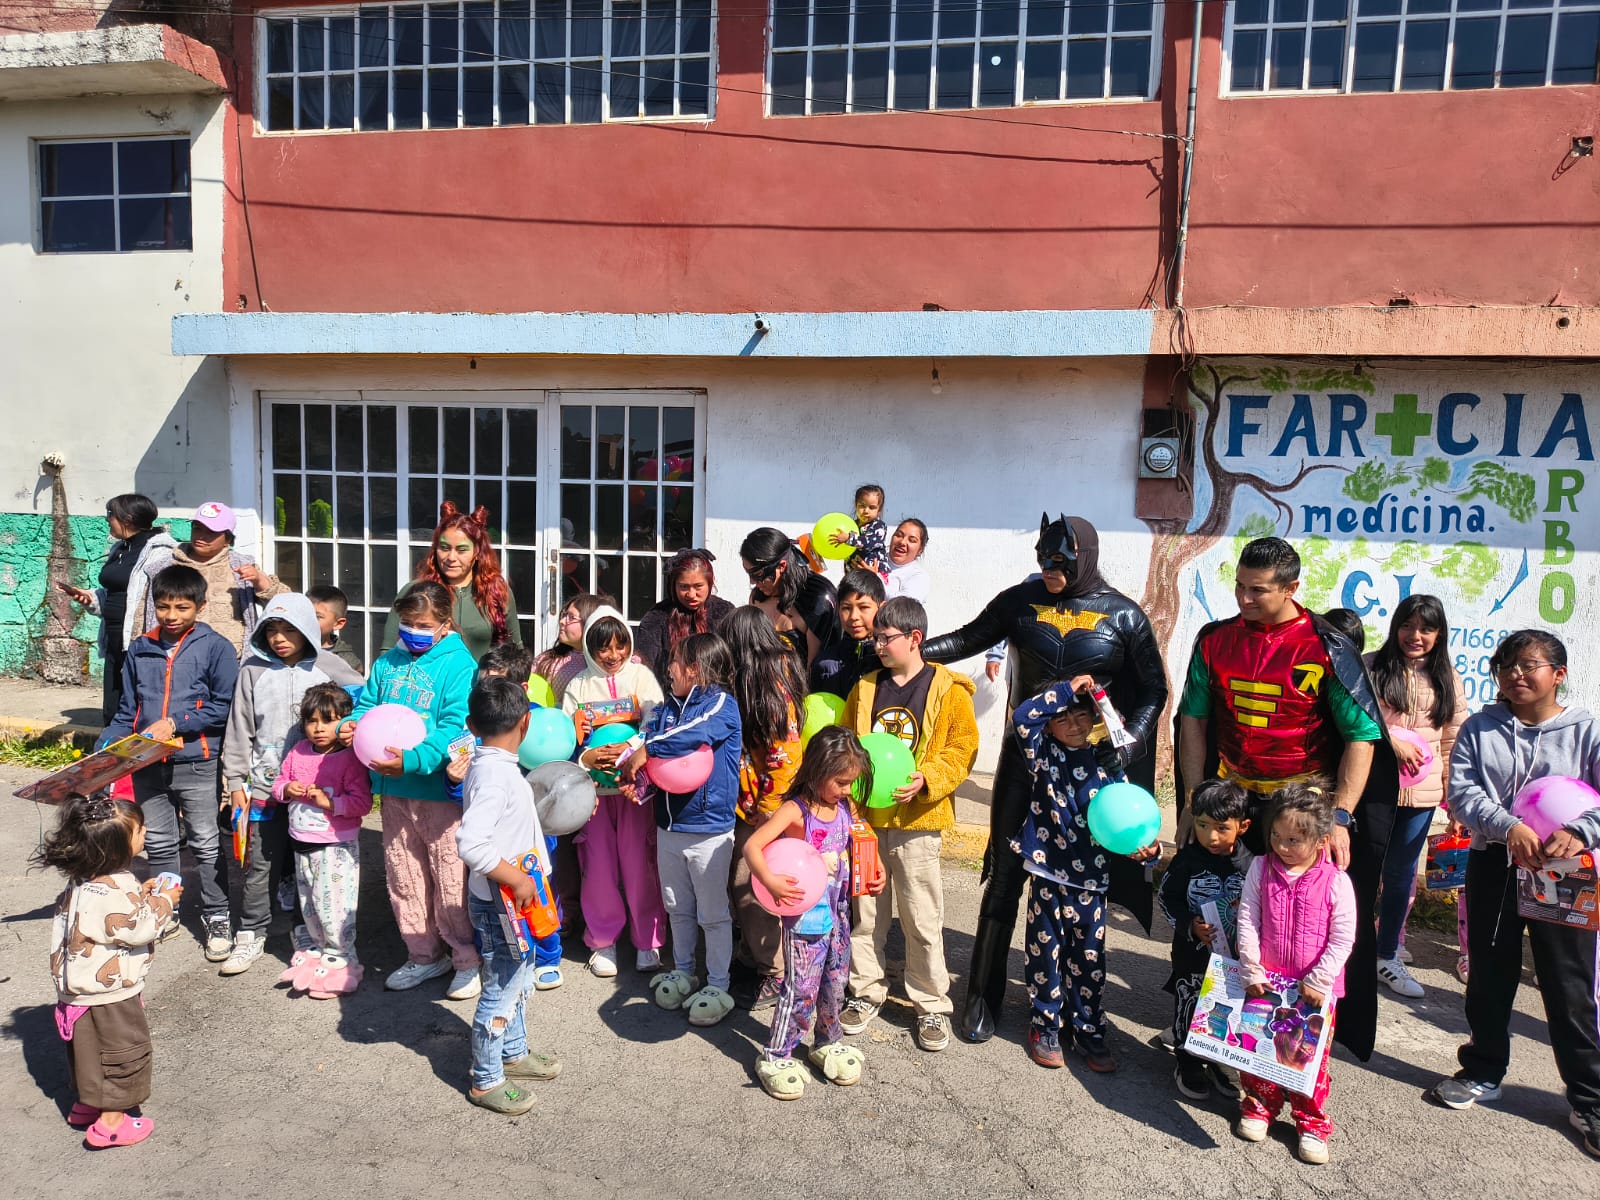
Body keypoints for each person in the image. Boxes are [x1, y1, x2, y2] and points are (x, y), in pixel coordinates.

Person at [923, 514, 1169, 1042]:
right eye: (1043, 559)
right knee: (1005, 876)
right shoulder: (1020, 601)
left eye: (1060, 561)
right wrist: (910, 649)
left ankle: (1080, 1010)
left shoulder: (1123, 616)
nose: (1050, 569)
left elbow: (1153, 689)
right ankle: (982, 997)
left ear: (1085, 557)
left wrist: (1129, 742)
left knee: (1082, 889)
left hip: (1088, 770)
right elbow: (969, 637)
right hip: (1025, 759)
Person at [1175, 535, 1398, 1062]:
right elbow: (1193, 720)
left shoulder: (1324, 646)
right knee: (1212, 908)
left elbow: (1361, 737)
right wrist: (1193, 800)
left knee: (1292, 924)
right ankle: (1203, 1029)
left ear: (1292, 588)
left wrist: (1338, 816)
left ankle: (1286, 1047)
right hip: (1232, 793)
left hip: (1299, 804)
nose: (1244, 599)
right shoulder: (1215, 639)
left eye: (1258, 591)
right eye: (1239, 587)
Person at [1430, 630, 1600, 1161]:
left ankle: (1590, 1100)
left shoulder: (1588, 729)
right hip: (1496, 866)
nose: (1516, 675)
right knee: (1490, 971)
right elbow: (1461, 788)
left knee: (1569, 983)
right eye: (1506, 665)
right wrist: (1507, 826)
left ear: (1559, 673)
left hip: (1564, 872)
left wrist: (1583, 830)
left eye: (1529, 665)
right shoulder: (1482, 727)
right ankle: (1483, 1071)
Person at [840, 596, 978, 1053]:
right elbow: (847, 743)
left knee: (922, 916)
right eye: (876, 636)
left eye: (885, 636)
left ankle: (931, 1002)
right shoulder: (864, 689)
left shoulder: (948, 688)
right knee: (867, 913)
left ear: (914, 638)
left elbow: (962, 749)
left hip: (919, 821)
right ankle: (865, 990)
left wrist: (928, 779)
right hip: (868, 820)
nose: (876, 643)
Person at [1010, 681, 1161, 1073]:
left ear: (1093, 718)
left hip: (1093, 883)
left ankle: (1088, 1029)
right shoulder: (1042, 755)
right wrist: (1065, 690)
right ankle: (1044, 1025)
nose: (1073, 723)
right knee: (1045, 955)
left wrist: (1147, 848)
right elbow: (1023, 718)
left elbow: (1126, 820)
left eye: (1081, 715)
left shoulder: (1107, 764)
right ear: (1050, 726)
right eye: (1062, 718)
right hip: (1049, 874)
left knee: (1089, 963)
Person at [344, 581, 481, 1000]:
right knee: (403, 874)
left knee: (449, 877)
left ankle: (465, 958)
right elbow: (368, 706)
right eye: (406, 623)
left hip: (437, 790)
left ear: (444, 623)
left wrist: (414, 759)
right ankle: (422, 955)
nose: (413, 631)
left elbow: (454, 727)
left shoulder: (459, 665)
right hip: (394, 789)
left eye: (424, 624)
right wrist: (353, 726)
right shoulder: (388, 662)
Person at [219, 594, 363, 976]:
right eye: (272, 631)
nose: (280, 638)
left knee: (309, 866)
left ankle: (307, 930)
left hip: (315, 793)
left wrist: (354, 731)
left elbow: (364, 704)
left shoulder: (330, 667)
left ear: (308, 631)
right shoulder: (252, 670)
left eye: (289, 630)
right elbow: (239, 729)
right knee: (260, 864)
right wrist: (235, 781)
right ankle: (250, 932)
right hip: (265, 788)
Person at [103, 564, 239, 961]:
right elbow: (126, 710)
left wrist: (178, 723)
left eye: (182, 607)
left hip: (197, 759)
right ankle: (166, 909)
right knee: (160, 843)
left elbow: (224, 705)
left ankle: (217, 916)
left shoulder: (216, 648)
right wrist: (105, 751)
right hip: (147, 762)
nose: (172, 616)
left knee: (205, 841)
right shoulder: (140, 648)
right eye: (163, 607)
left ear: (201, 605)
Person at [35, 795, 181, 1149]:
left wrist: (140, 892)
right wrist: (165, 901)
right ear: (116, 847)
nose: (144, 833)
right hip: (110, 992)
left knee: (87, 1049)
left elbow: (111, 913)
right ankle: (112, 1122)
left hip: (76, 988)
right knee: (122, 1052)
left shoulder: (85, 878)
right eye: (138, 831)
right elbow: (139, 927)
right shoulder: (115, 888)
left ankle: (87, 1103)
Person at [744, 727, 881, 1100]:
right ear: (818, 770)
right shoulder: (795, 810)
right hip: (806, 916)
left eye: (852, 783)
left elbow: (860, 835)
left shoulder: (843, 807)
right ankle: (777, 1053)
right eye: (841, 782)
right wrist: (770, 881)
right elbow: (754, 846)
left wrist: (876, 866)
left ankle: (827, 1040)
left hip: (838, 911)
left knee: (836, 980)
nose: (847, 791)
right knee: (801, 986)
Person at [619, 632, 743, 1027]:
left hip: (709, 830)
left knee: (713, 913)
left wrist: (648, 750)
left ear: (695, 668)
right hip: (669, 826)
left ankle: (719, 984)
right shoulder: (664, 709)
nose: (667, 669)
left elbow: (691, 736)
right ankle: (685, 971)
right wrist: (627, 763)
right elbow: (645, 740)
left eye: (674, 662)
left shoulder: (722, 704)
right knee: (677, 906)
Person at [455, 676, 563, 1115]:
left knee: (520, 972)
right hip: (503, 901)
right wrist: (517, 880)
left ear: (470, 724)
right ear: (526, 722)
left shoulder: (495, 766)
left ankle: (513, 1052)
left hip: (517, 898)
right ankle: (486, 1078)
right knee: (501, 984)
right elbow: (471, 844)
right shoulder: (495, 775)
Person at [1235, 781, 1356, 1166]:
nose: (1282, 847)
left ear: (1321, 840)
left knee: (1305, 1061)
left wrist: (1320, 980)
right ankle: (1259, 1106)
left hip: (1312, 991)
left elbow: (1343, 936)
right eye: (1276, 836)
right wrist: (1251, 967)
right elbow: (1248, 917)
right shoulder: (1260, 867)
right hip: (1267, 981)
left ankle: (1311, 1123)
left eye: (1293, 840)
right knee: (1258, 1050)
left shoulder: (1336, 880)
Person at [1364, 595, 1468, 997]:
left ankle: (1386, 956)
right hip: (1372, 789)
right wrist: (1389, 739)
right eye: (1408, 626)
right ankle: (1348, 951)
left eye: (1426, 628)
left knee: (1400, 876)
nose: (1415, 636)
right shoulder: (1372, 666)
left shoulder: (1447, 678)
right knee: (1360, 870)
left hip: (1421, 798)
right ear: (1395, 627)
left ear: (1439, 634)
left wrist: (1454, 802)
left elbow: (1453, 742)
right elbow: (1353, 718)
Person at [451, 641, 565, 991]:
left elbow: (558, 781)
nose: (493, 699)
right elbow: (471, 816)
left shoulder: (539, 730)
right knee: (506, 947)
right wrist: (453, 779)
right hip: (500, 869)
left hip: (531, 848)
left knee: (543, 906)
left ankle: (547, 957)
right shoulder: (484, 761)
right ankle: (507, 975)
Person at [563, 604, 666, 977]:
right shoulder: (577, 685)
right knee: (598, 867)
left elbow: (656, 723)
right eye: (603, 648)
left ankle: (648, 940)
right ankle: (602, 939)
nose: (612, 656)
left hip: (635, 791)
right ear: (589, 648)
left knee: (641, 864)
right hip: (594, 794)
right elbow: (567, 740)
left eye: (619, 646)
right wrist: (590, 756)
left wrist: (631, 748)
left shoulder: (641, 677)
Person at [723, 604, 808, 1010]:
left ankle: (773, 972)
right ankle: (751, 955)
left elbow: (785, 755)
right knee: (741, 887)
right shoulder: (756, 680)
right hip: (750, 804)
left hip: (767, 809)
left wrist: (768, 810)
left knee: (750, 885)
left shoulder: (771, 685)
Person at [271, 683, 373, 997]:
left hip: (335, 845)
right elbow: (279, 782)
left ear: (344, 722)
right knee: (310, 902)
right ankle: (319, 949)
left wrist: (330, 803)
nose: (318, 729)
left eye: (327, 721)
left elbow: (362, 803)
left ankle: (343, 956)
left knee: (335, 904)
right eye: (312, 721)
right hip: (301, 841)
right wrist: (286, 790)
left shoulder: (350, 759)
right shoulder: (298, 751)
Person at [1158, 778, 1253, 1100]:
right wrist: (1188, 925)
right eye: (1202, 825)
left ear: (1243, 826)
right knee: (1189, 1001)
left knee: (1227, 1008)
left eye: (1222, 828)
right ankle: (1187, 1060)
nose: (1211, 836)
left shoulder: (1253, 866)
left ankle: (1221, 1060)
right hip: (1193, 953)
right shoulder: (1188, 861)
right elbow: (1167, 897)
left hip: (1237, 959)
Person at [59, 493, 175, 726]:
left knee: (137, 699)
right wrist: (90, 598)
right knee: (113, 701)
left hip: (140, 638)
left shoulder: (160, 552)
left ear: (128, 519)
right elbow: (117, 591)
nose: (107, 520)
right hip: (114, 636)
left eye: (110, 515)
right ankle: (111, 752)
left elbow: (158, 598)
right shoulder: (120, 548)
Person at [139, 501, 287, 657]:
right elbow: (143, 614)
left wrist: (259, 581)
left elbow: (285, 603)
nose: (201, 536)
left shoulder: (241, 566)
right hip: (175, 659)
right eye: (197, 528)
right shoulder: (164, 566)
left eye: (211, 532)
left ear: (228, 538)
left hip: (228, 659)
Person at [382, 501, 521, 661]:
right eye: (444, 548)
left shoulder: (497, 591)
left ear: (477, 552)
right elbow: (387, 652)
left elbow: (515, 652)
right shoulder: (415, 591)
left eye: (462, 550)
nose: (451, 558)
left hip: (483, 685)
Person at [634, 548, 735, 686]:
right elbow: (643, 665)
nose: (691, 594)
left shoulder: (725, 613)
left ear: (710, 583)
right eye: (684, 587)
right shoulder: (657, 617)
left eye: (698, 586)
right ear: (673, 586)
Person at [740, 527, 837, 668]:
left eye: (757, 574)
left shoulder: (815, 597)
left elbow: (816, 668)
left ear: (782, 566)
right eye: (748, 573)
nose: (752, 582)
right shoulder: (757, 598)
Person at [809, 569, 885, 699]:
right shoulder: (824, 664)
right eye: (846, 608)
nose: (854, 616)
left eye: (863, 607)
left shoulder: (888, 661)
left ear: (882, 608)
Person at [533, 592, 615, 703]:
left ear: (591, 623)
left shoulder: (614, 662)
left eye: (571, 618)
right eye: (564, 615)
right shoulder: (547, 660)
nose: (562, 621)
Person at [828, 483, 889, 578]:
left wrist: (848, 538)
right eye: (862, 506)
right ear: (856, 505)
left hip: (874, 575)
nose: (866, 511)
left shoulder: (879, 526)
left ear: (879, 510)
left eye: (872, 507)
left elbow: (869, 543)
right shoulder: (851, 525)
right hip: (853, 575)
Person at [307, 584, 364, 675]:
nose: (309, 620)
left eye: (318, 617)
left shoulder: (347, 661)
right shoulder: (291, 649)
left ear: (338, 623)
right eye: (305, 614)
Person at [883, 518, 931, 602]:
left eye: (912, 540)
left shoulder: (919, 576)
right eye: (899, 535)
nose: (902, 542)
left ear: (920, 550)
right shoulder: (874, 560)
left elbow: (902, 605)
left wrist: (874, 577)